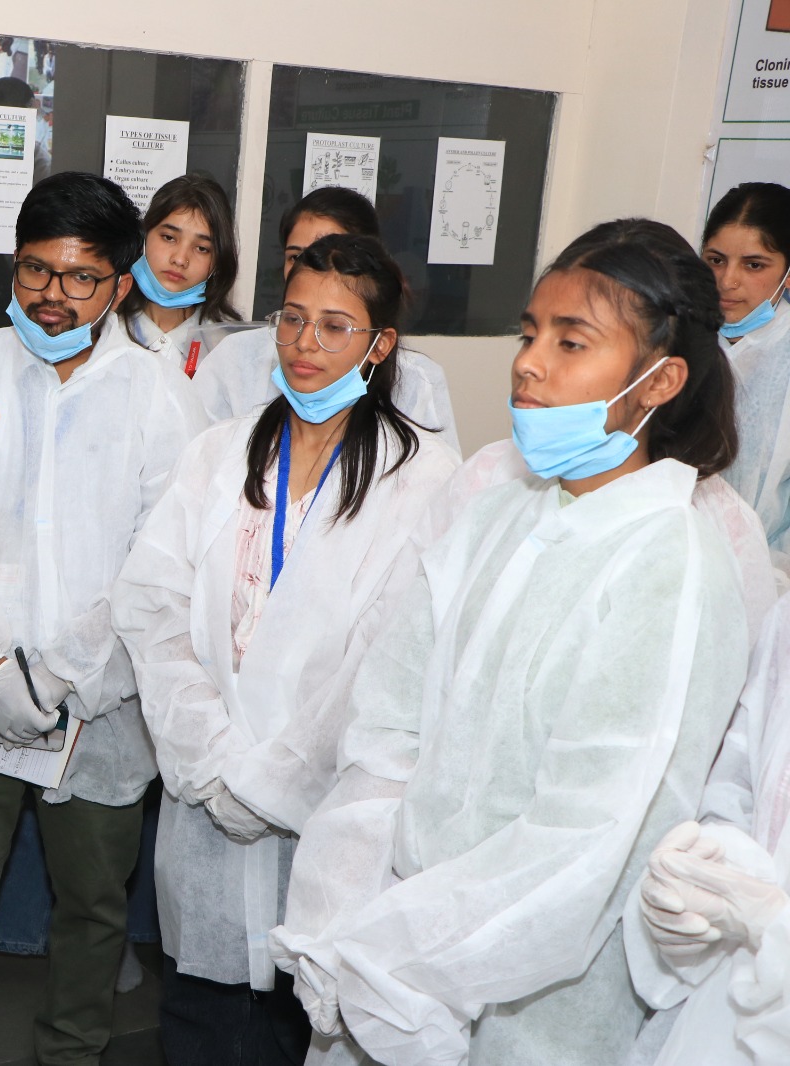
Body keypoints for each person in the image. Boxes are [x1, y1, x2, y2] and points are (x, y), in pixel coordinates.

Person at [270, 218, 755, 1065]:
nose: (529, 362)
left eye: (572, 342)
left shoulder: (671, 564)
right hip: (391, 944)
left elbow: (586, 842)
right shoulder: (500, 510)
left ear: (661, 380)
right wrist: (343, 914)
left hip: (535, 1004)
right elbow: (387, 726)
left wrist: (411, 958)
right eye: (530, 334)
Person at [113, 234, 460, 1065]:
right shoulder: (221, 453)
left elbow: (389, 662)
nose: (305, 344)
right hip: (205, 798)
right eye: (293, 319)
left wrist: (272, 780)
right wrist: (212, 758)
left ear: (380, 344)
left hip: (330, 815)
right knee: (199, 1018)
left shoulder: (425, 478)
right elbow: (152, 606)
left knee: (303, 1020)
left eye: (335, 327)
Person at [0, 172, 209, 1066]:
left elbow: (157, 566)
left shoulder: (161, 396)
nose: (52, 294)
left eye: (80, 277)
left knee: (93, 907)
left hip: (100, 707)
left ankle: (73, 1053)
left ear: (120, 284)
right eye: (35, 270)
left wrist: (60, 674)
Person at [623, 590, 790, 1065]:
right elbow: (741, 796)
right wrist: (705, 875)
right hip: (719, 1023)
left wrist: (778, 930)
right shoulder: (786, 623)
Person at [194, 187, 459, 453]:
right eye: (296, 257)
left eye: (332, 255)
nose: (311, 269)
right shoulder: (234, 358)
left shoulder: (417, 381)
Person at [701, 182, 790, 577]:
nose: (727, 281)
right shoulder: (673, 339)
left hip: (770, 575)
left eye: (754, 265)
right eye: (716, 260)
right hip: (673, 557)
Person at [116, 174, 241, 377]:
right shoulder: (103, 332)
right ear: (143, 237)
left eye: (201, 248)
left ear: (218, 262)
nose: (180, 259)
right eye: (169, 237)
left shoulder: (228, 349)